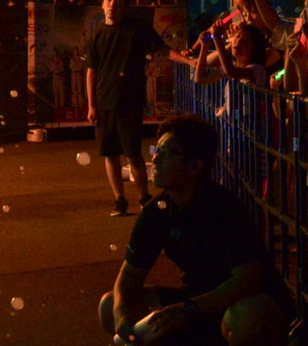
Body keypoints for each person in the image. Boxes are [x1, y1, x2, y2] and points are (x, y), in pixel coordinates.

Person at [97, 115, 289, 346]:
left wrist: (187, 310)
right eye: (156, 150)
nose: (155, 159)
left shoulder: (222, 207)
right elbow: (129, 276)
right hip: (195, 301)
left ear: (194, 166)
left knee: (248, 316)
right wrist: (121, 315)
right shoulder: (157, 212)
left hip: (238, 301)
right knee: (110, 305)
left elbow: (247, 280)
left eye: (167, 153)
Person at [87, 0, 193, 216]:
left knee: (133, 153)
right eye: (108, 0)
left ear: (125, 5)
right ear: (102, 4)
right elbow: (91, 72)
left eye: (117, 1)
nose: (112, 5)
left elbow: (163, 50)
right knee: (109, 154)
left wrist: (188, 61)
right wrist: (91, 105)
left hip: (130, 101)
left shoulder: (138, 29)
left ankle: (144, 197)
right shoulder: (96, 35)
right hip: (104, 102)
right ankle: (119, 200)